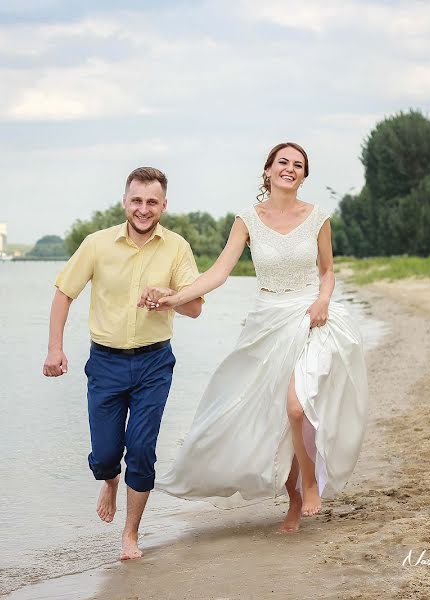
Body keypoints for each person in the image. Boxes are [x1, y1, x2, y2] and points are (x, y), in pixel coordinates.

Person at [142, 142, 368, 533]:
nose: (290, 169)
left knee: (297, 407)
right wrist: (175, 297)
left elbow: (327, 271)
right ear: (267, 171)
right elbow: (218, 272)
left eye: (298, 165)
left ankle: (311, 481)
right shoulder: (248, 219)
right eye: (283, 162)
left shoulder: (318, 217)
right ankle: (294, 500)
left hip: (311, 317)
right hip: (266, 322)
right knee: (268, 416)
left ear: (303, 175)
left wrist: (323, 300)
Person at [42, 166, 204, 559]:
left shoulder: (177, 247)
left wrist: (169, 296)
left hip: (154, 363)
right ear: (124, 202)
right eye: (137, 200)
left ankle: (130, 535)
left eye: (152, 202)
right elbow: (65, 293)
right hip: (105, 364)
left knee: (142, 450)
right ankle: (109, 479)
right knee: (104, 454)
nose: (143, 209)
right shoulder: (97, 244)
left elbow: (196, 307)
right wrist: (54, 348)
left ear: (164, 205)